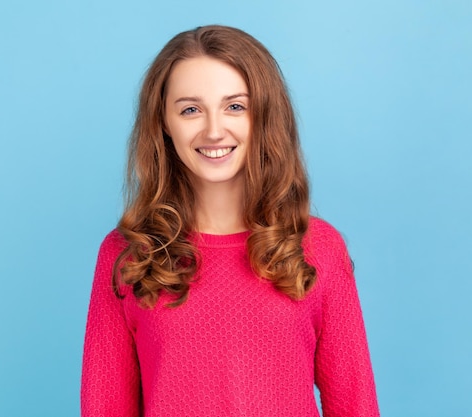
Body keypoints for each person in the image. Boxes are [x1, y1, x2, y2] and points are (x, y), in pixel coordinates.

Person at [81, 25, 380, 417]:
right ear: (164, 124)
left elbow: (356, 406)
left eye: (235, 106)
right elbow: (105, 408)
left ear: (264, 116)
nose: (214, 130)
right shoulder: (127, 256)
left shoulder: (318, 248)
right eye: (190, 109)